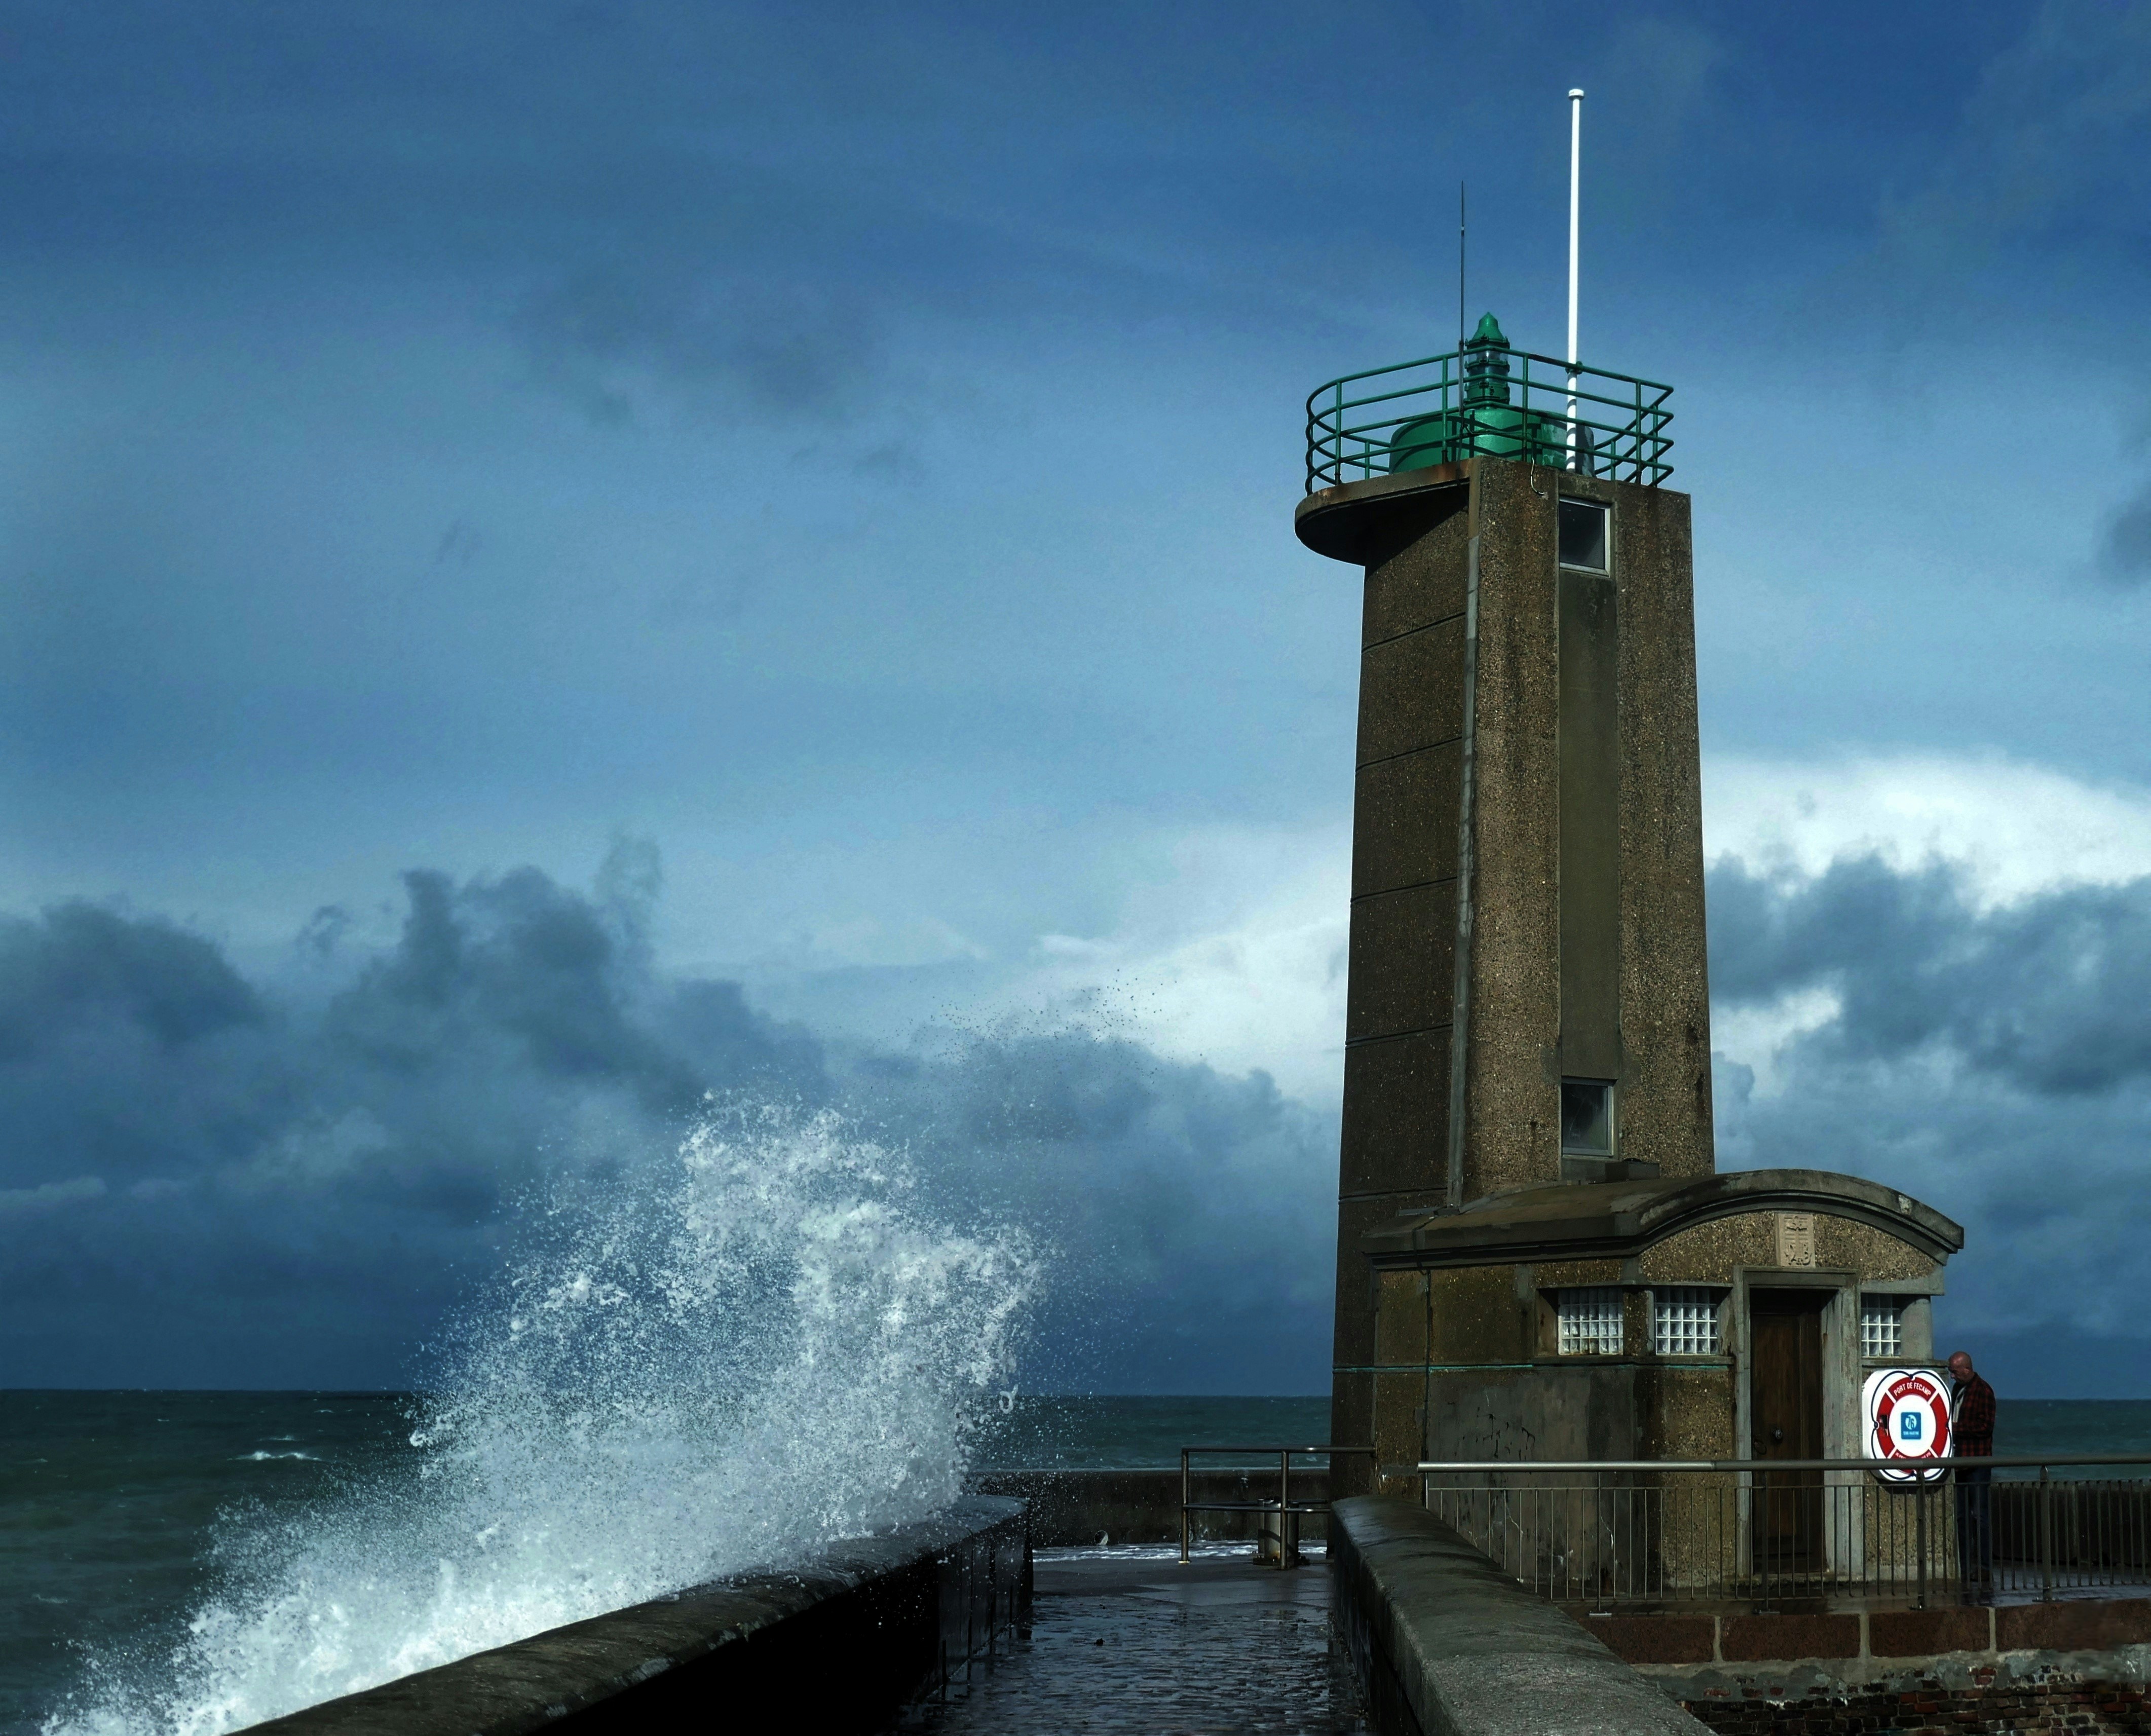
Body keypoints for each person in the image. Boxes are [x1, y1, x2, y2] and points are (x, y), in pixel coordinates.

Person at [1948, 1350, 1996, 1599]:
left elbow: (1984, 1426)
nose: (1952, 1375)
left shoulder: (1983, 1391)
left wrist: (1953, 1428)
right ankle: (1966, 1567)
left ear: (1966, 1368)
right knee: (1962, 1519)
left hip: (1977, 1462)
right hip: (1961, 1462)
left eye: (1954, 1371)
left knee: (1980, 1517)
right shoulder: (1958, 1390)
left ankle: (1985, 1567)